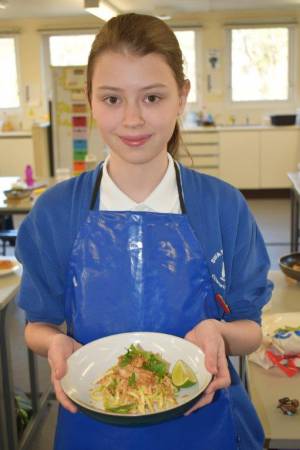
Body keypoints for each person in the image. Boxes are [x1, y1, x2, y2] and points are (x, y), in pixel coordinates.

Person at [16, 13, 273, 450]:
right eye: (112, 99)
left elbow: (251, 328)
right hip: (93, 428)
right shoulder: (57, 213)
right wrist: (56, 343)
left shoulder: (222, 207)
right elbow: (37, 324)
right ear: (90, 99)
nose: (132, 120)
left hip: (205, 426)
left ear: (182, 96)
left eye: (152, 97)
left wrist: (221, 333)